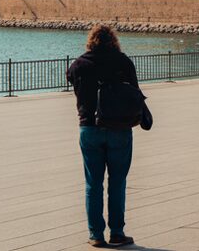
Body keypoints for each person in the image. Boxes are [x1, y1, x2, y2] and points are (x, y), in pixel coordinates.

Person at [66, 25, 139, 248]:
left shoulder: (79, 64)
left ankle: (96, 234)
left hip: (89, 127)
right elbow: (134, 90)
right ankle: (117, 233)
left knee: (93, 184)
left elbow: (73, 83)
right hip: (119, 128)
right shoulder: (123, 61)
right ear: (113, 41)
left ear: (90, 41)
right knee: (117, 183)